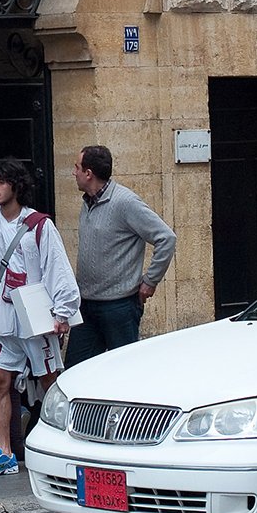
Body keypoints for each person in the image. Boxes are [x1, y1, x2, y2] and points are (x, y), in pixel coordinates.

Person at [0, 157, 79, 478]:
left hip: (36, 314)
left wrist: (62, 311)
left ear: (16, 185)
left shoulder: (40, 225)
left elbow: (57, 267)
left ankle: (68, 444)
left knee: (50, 383)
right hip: (2, 314)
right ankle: (4, 452)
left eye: (0, 181)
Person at [66, 145, 176, 367]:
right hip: (86, 305)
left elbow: (166, 238)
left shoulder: (125, 202)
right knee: (75, 371)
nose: (73, 172)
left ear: (89, 173)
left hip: (119, 307)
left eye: (77, 167)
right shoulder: (87, 202)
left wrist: (150, 281)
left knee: (124, 372)